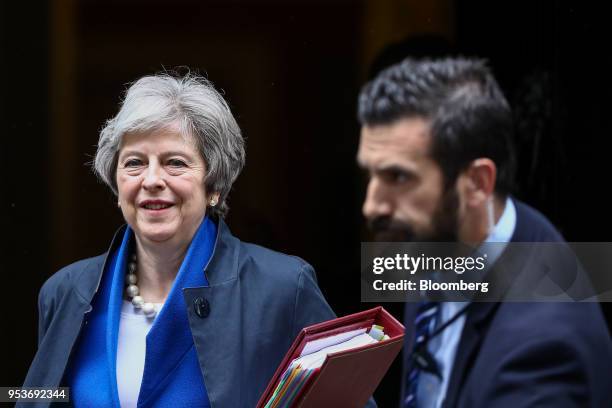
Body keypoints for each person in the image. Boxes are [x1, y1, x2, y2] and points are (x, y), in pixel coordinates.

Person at [22, 73, 337, 407]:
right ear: (116, 185)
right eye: (135, 163)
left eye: (175, 163)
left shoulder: (284, 288)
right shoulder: (64, 292)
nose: (152, 179)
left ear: (213, 186)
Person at [356, 58, 612, 407]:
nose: (371, 206)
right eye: (370, 175)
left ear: (477, 183)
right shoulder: (440, 245)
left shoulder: (542, 351)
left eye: (398, 178)